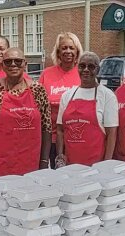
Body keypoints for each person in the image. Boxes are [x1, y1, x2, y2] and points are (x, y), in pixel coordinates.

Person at [0, 47, 51, 182]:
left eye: (18, 61)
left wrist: (44, 160)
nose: (13, 64)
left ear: (25, 64)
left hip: (30, 162)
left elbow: (47, 128)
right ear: (3, 65)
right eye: (8, 62)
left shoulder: (38, 90)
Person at [56, 52, 118, 166]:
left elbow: (111, 134)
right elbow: (60, 130)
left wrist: (106, 164)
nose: (86, 69)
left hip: (95, 166)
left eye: (91, 66)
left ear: (98, 70)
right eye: (82, 66)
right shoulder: (67, 95)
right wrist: (60, 155)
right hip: (70, 166)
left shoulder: (107, 96)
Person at [39, 32, 82, 169]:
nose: (68, 51)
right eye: (64, 48)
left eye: (71, 48)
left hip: (76, 138)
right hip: (50, 138)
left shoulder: (84, 74)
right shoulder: (47, 74)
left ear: (77, 51)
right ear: (58, 52)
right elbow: (38, 105)